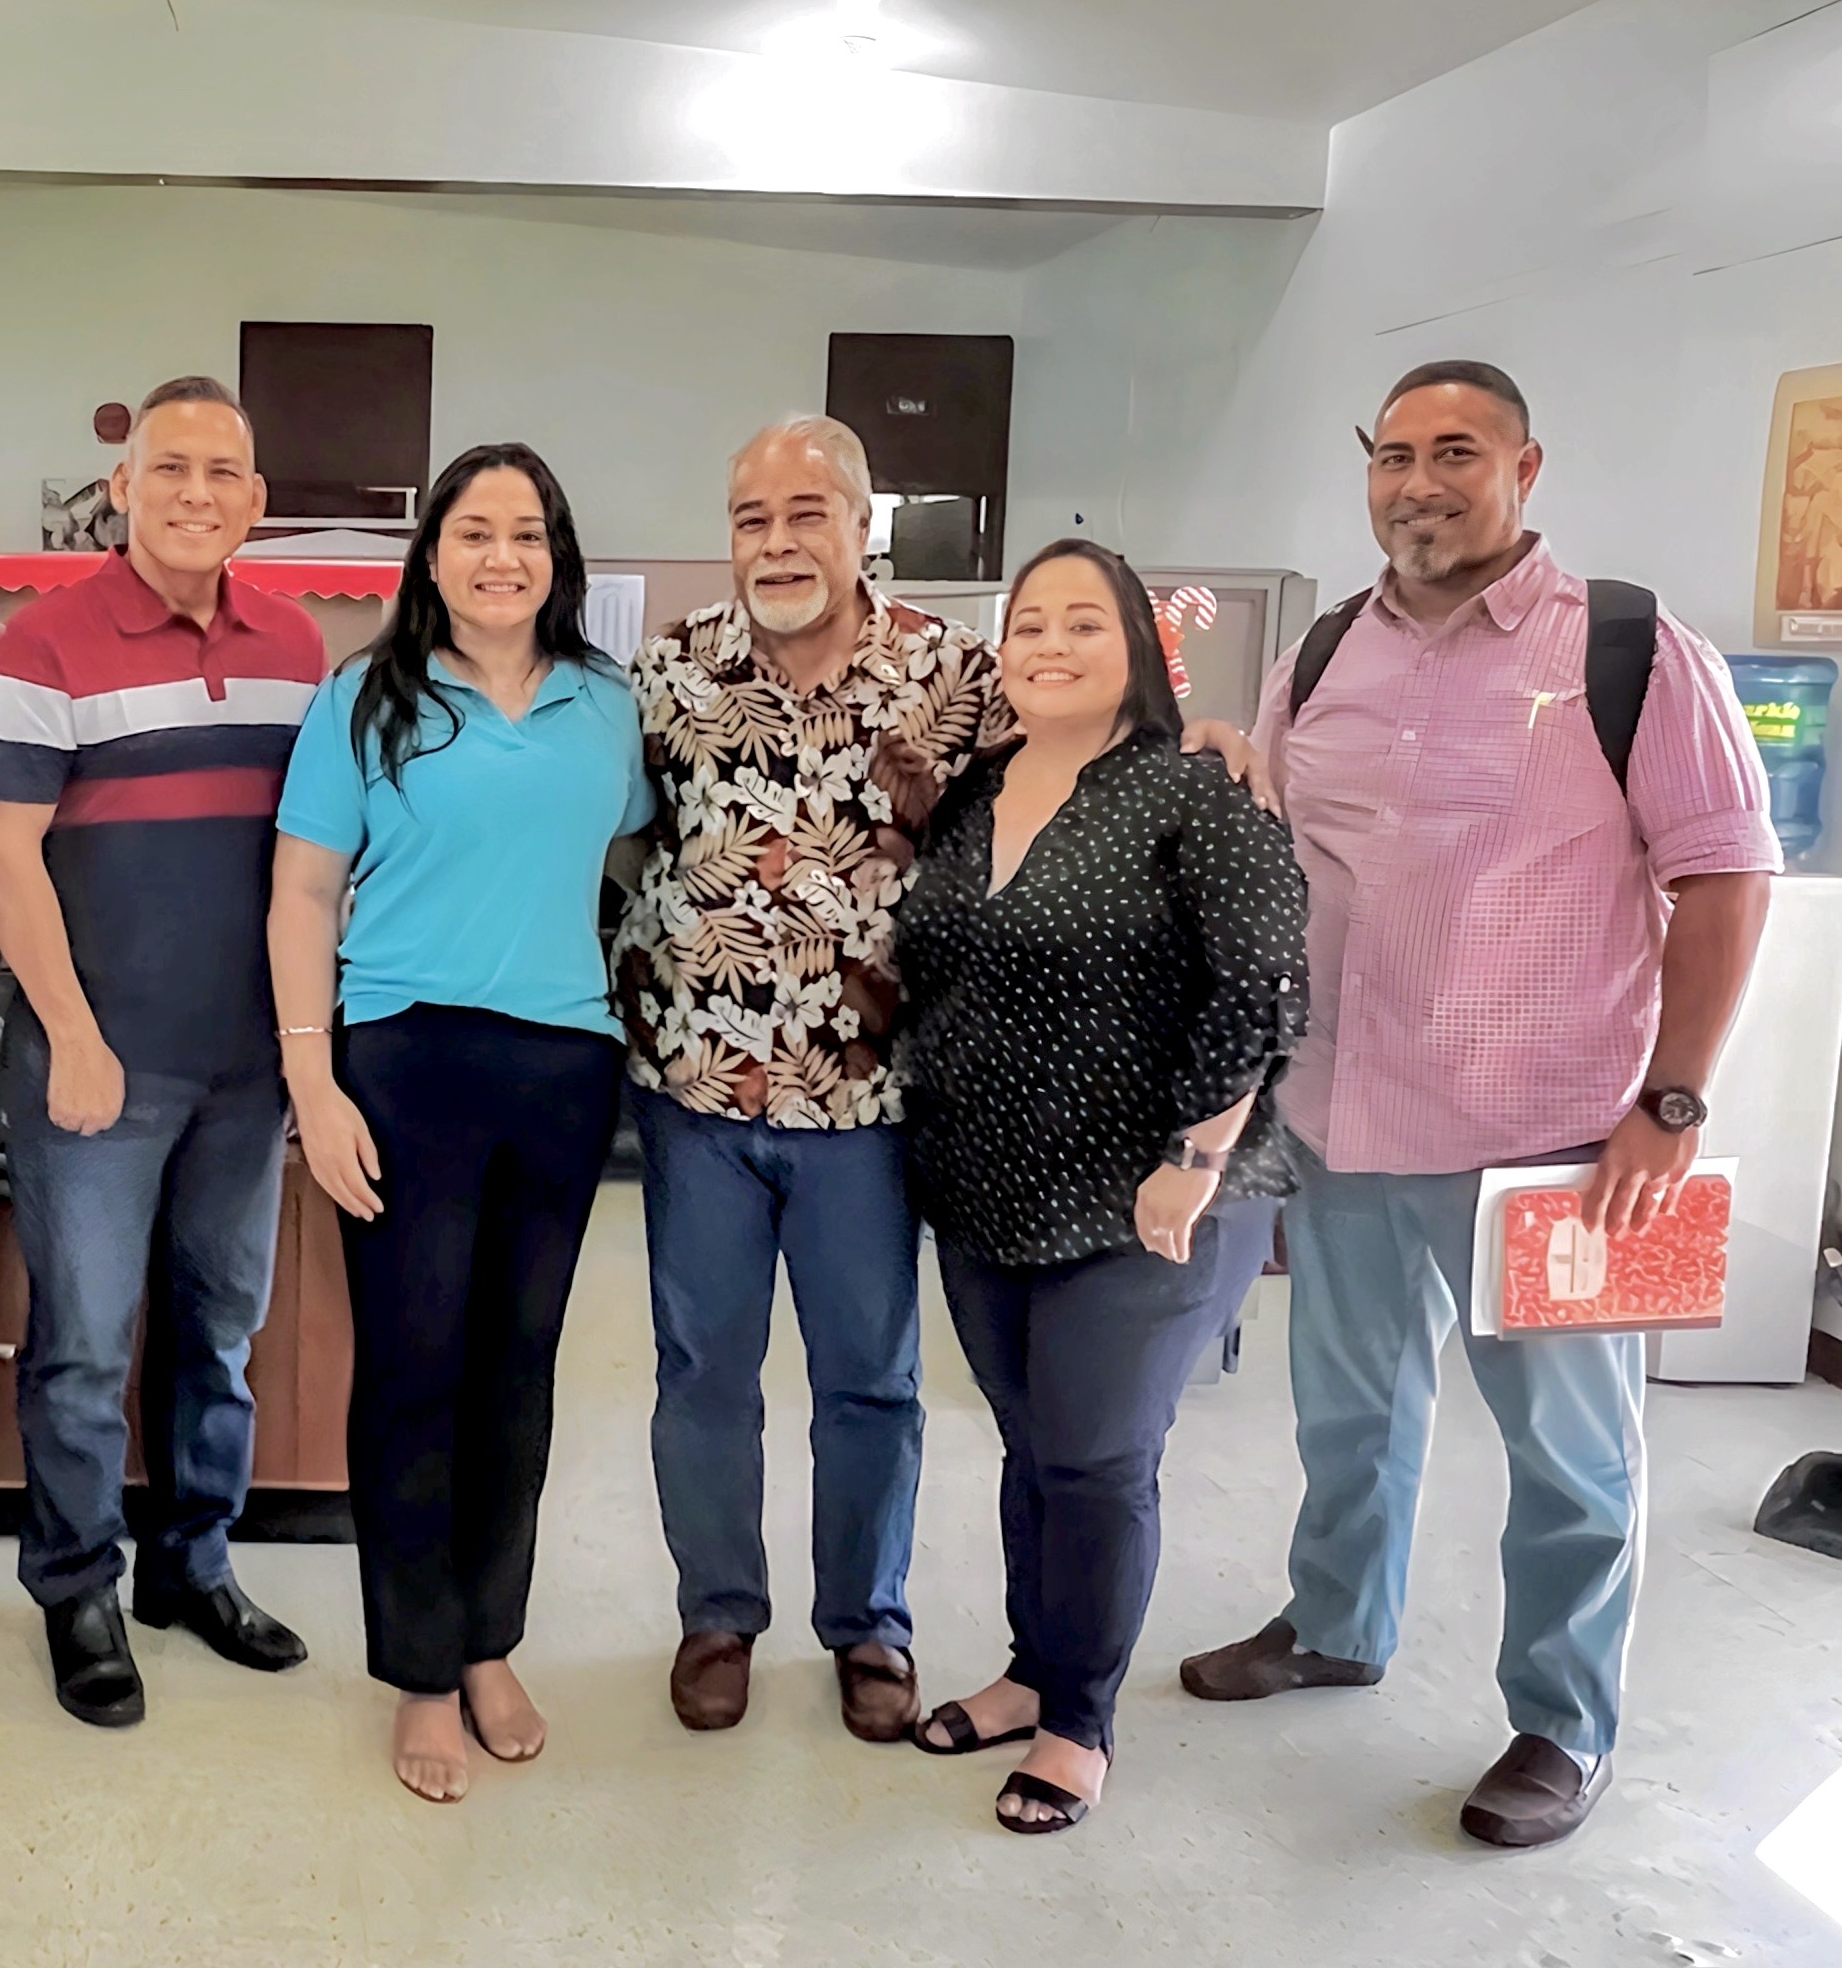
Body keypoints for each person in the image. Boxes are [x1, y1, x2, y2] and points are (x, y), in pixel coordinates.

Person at [1182, 360, 1778, 1850]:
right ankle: (1334, 1621)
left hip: (1562, 1142)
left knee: (1575, 1456)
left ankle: (1564, 1723)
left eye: (1458, 452)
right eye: (1393, 455)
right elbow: (1272, 852)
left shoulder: (1631, 648)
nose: (1419, 483)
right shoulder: (1323, 652)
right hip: (1345, 1116)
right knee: (1349, 1411)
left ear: (1526, 467)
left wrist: (1677, 1096)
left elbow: (1723, 873)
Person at [616, 419, 1266, 1743]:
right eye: (752, 516)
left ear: (864, 527)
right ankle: (719, 1613)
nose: (779, 538)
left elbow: (1081, 731)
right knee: (702, 1369)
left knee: (868, 1375)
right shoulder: (669, 673)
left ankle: (868, 1624)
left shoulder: (950, 672)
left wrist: (1206, 734)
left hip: (873, 1098)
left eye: (809, 511)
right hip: (696, 1091)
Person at [895, 540, 1307, 1836]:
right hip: (987, 1185)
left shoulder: (1196, 790)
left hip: (1150, 1196)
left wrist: (1193, 1156)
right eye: (1028, 623)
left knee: (1097, 1456)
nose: (1051, 643)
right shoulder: (976, 793)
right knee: (1034, 1446)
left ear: (1137, 642)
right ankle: (1031, 1667)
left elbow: (1261, 982)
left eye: (1083, 620)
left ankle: (1080, 1718)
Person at [269, 443, 651, 1802]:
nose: (503, 555)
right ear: (428, 555)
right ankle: (421, 1668)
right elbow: (304, 897)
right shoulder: (362, 700)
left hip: (564, 1067)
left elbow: (635, 854)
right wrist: (314, 1088)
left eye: (529, 532)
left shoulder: (608, 703)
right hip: (404, 1063)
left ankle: (492, 1637)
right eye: (475, 530)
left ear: (560, 557)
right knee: (415, 1368)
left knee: (520, 1372)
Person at [0, 376, 323, 1727]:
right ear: (121, 487)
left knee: (219, 1332)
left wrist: (306, 1052)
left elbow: (317, 860)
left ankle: (193, 1563)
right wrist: (69, 1032)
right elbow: (5, 853)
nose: (193, 492)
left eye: (221, 472)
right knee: (81, 1343)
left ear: (256, 502)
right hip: (95, 1069)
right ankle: (77, 1588)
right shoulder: (41, 645)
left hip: (246, 1066)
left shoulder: (298, 650)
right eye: (167, 467)